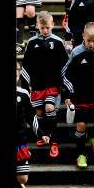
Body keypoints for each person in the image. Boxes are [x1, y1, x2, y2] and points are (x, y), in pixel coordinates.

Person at [62, 22, 94, 169]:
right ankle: (81, 154)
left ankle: (93, 135)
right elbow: (65, 74)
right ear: (83, 36)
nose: (91, 44)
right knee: (81, 125)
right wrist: (69, 93)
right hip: (80, 94)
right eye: (88, 40)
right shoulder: (76, 52)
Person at [20, 11, 68, 159]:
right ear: (37, 26)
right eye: (42, 28)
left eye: (48, 27)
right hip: (37, 85)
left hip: (53, 85)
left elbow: (64, 66)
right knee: (39, 113)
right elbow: (26, 66)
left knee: (50, 108)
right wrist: (24, 87)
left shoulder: (58, 42)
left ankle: (53, 139)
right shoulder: (32, 42)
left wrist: (65, 89)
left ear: (53, 25)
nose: (45, 30)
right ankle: (43, 135)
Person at [15, 62, 33, 188]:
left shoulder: (23, 93)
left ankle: (18, 183)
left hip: (19, 140)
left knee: (23, 179)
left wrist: (42, 134)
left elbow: (32, 117)